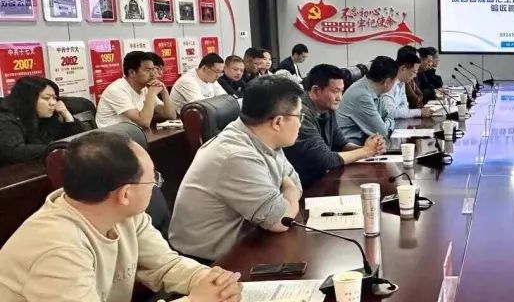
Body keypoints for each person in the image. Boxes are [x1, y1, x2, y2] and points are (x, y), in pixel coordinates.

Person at [0, 130, 241, 302]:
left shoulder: (124, 215)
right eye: (152, 179)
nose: (155, 185)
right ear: (125, 194)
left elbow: (165, 265)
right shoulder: (55, 245)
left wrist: (210, 281)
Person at [169, 76, 304, 262]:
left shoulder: (264, 139)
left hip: (248, 241)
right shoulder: (235, 155)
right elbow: (281, 220)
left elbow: (296, 183)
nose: (301, 123)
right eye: (299, 116)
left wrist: (288, 191)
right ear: (277, 122)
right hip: (210, 262)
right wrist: (289, 190)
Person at [284, 64, 386, 187]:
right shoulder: (300, 114)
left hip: (322, 179)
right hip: (303, 186)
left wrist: (371, 148)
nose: (340, 98)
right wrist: (365, 151)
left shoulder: (327, 109)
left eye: (341, 91)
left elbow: (341, 144)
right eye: (335, 91)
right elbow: (326, 160)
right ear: (316, 91)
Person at [0, 76, 86, 164]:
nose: (53, 103)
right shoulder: (5, 118)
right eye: (46, 98)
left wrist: (68, 117)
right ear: (27, 99)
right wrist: (57, 147)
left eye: (54, 98)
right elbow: (15, 151)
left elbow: (83, 143)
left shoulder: (48, 116)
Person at [95, 51, 176, 128]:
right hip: (111, 136)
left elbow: (171, 116)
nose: (153, 74)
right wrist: (151, 93)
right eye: (148, 70)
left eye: (153, 69)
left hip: (132, 133)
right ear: (132, 72)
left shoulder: (144, 88)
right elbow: (144, 122)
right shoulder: (116, 90)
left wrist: (164, 91)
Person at [338, 55, 399, 142]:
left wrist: (387, 124)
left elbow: (389, 115)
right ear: (387, 81)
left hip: (366, 143)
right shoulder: (362, 95)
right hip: (351, 147)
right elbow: (382, 132)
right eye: (394, 81)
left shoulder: (376, 90)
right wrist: (389, 124)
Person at [380, 49, 433, 121]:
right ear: (403, 68)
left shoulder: (402, 82)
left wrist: (400, 111)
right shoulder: (388, 82)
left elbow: (405, 106)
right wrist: (419, 112)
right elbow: (390, 112)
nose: (415, 76)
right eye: (414, 72)